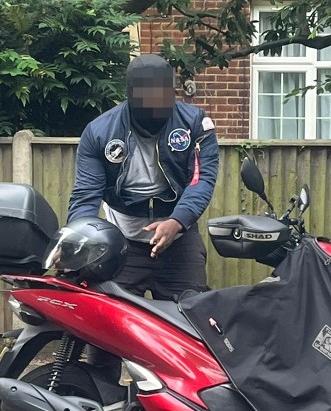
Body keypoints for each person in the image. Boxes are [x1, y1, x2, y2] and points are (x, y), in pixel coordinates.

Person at [67, 53, 219, 301]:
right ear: (131, 95)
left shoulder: (195, 125)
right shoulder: (99, 132)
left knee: (190, 323)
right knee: (108, 327)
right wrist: (79, 240)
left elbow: (201, 180)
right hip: (121, 243)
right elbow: (86, 194)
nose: (156, 106)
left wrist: (176, 222)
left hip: (179, 242)